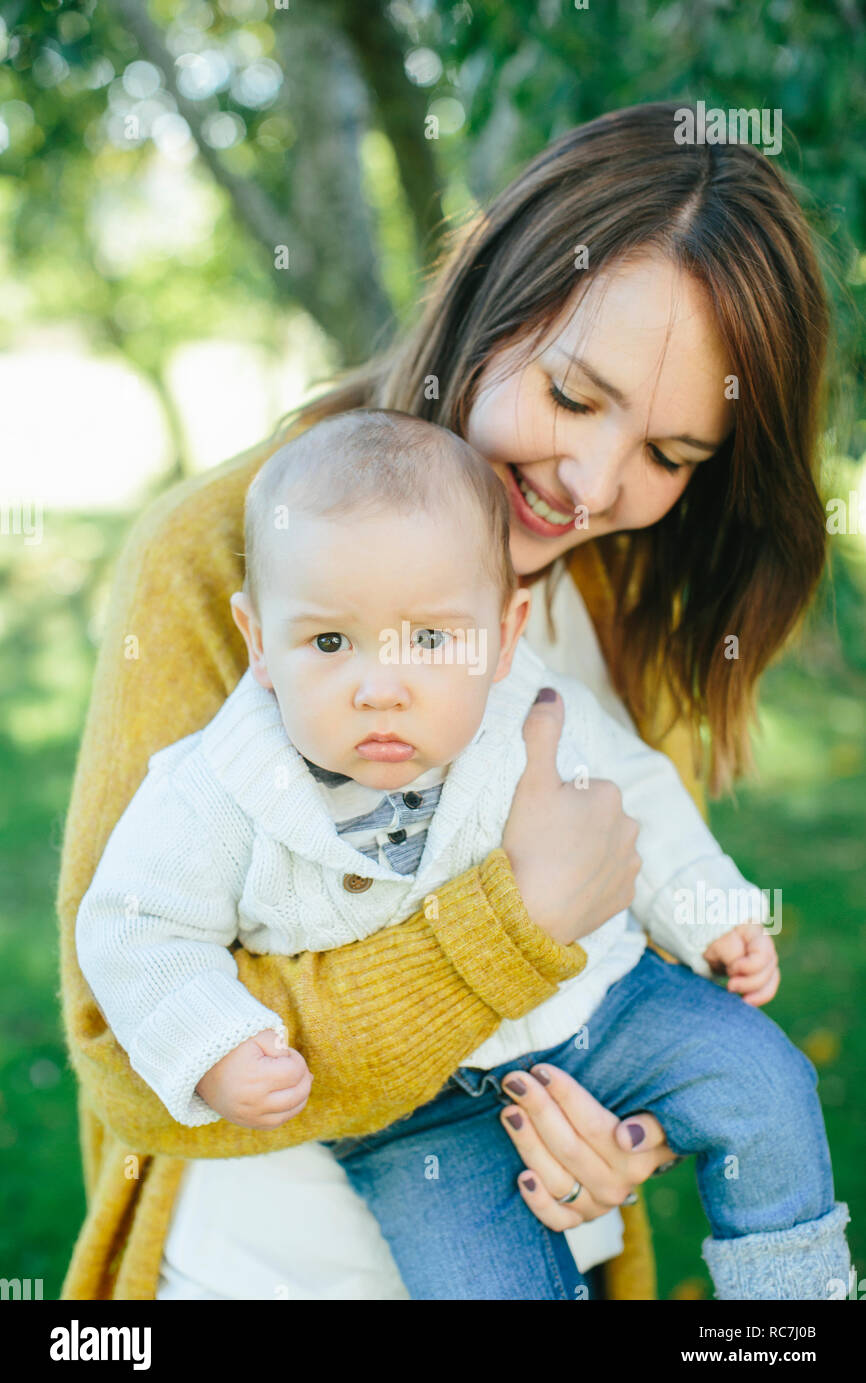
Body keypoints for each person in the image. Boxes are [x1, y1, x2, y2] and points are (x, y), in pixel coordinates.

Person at [59, 101, 835, 1300]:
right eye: (575, 397)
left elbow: (627, 948)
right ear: (488, 295)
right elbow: (122, 1052)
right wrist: (502, 928)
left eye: (670, 455)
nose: (590, 487)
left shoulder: (607, 594)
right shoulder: (219, 555)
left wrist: (623, 1137)